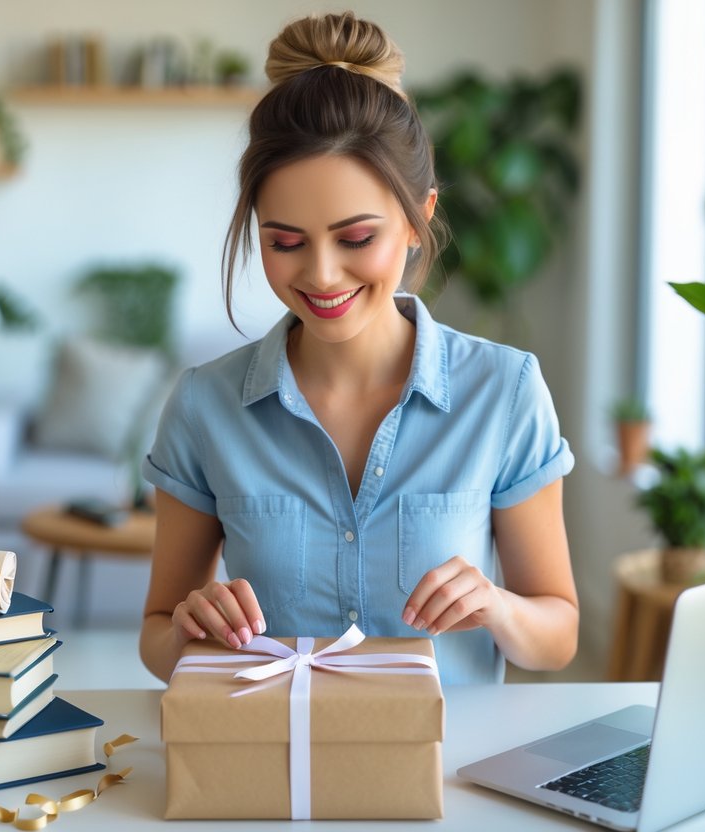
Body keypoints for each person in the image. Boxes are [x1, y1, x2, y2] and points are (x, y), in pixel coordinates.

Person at [139, 11, 577, 686]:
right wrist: (193, 629)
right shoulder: (205, 405)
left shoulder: (504, 389)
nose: (319, 274)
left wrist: (495, 606)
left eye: (354, 239)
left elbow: (557, 637)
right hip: (268, 767)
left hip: (445, 772)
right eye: (284, 242)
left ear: (416, 218)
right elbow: (157, 636)